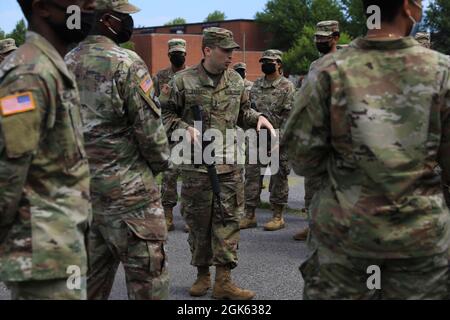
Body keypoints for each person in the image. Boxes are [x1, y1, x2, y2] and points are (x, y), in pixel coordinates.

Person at [283, 0, 450, 300]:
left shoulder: (327, 71)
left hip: (344, 240)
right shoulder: (442, 72)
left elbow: (302, 159)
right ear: (407, 7)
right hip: (418, 245)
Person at [65, 0, 171, 300]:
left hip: (81, 197)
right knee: (148, 283)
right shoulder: (126, 62)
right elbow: (151, 136)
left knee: (86, 285)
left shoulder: (64, 63)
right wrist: (160, 165)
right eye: (125, 17)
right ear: (109, 20)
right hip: (131, 199)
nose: (129, 24)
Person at [162, 27, 275, 300]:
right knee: (199, 223)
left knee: (228, 222)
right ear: (208, 50)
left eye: (232, 50)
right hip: (196, 167)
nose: (230, 55)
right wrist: (183, 127)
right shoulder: (181, 82)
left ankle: (224, 280)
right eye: (225, 50)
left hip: (229, 165)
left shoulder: (236, 82)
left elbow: (243, 113)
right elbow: (164, 115)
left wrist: (257, 118)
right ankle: (202, 275)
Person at [0, 0, 95, 300]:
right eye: (78, 2)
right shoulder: (30, 73)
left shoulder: (51, 66)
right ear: (43, 8)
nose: (89, 6)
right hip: (43, 258)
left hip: (60, 249)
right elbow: (7, 175)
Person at [293, 20, 340, 242]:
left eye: (325, 37)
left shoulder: (347, 62)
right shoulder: (314, 65)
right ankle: (312, 225)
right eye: (318, 37)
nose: (320, 41)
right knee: (312, 182)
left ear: (336, 38)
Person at [240, 50, 295, 232]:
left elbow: (290, 117)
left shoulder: (287, 86)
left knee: (279, 177)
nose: (265, 64)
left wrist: (282, 140)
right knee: (252, 176)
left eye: (269, 62)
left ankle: (277, 216)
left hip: (278, 138)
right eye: (263, 61)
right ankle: (249, 215)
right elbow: (249, 110)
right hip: (257, 138)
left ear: (279, 64)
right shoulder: (256, 85)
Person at [154, 38, 188, 232]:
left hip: (189, 131)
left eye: (181, 53)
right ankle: (167, 215)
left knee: (191, 176)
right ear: (169, 55)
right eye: (175, 53)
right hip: (169, 131)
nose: (178, 56)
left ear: (186, 54)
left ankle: (189, 217)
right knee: (169, 174)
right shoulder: (160, 76)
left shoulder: (193, 75)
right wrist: (163, 96)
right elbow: (154, 104)